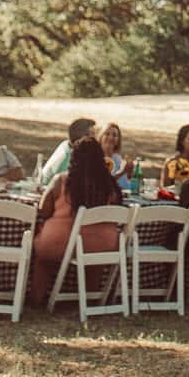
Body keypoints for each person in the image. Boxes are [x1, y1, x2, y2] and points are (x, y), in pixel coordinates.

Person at [30, 136, 123, 303]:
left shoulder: (63, 180)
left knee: (43, 259)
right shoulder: (110, 185)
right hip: (102, 244)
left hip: (60, 241)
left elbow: (43, 210)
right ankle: (90, 300)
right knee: (94, 261)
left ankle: (37, 297)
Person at [35, 117, 97, 188]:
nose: (95, 139)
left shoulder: (67, 144)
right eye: (92, 135)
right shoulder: (68, 157)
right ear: (78, 141)